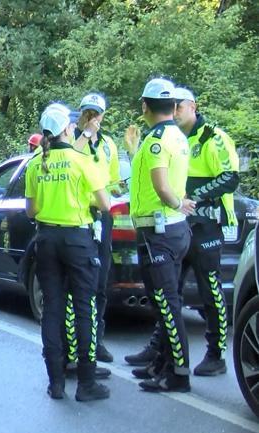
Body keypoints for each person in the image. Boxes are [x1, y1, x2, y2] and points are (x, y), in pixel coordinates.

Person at [128, 87, 240, 378]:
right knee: (169, 291)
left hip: (205, 224)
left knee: (210, 288)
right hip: (176, 223)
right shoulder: (172, 137)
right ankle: (161, 350)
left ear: (193, 106)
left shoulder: (213, 137)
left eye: (180, 106)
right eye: (173, 106)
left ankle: (216, 353)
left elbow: (231, 178)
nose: (175, 111)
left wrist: (194, 198)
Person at [24, 105, 111, 401]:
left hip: (46, 238)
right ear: (66, 129)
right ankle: (86, 383)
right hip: (78, 239)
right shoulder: (81, 159)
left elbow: (31, 210)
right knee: (84, 308)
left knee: (52, 309)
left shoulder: (36, 162)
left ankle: (56, 381)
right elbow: (104, 204)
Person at [128, 78, 196, 392]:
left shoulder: (157, 140)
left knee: (167, 304)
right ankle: (163, 364)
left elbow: (160, 184)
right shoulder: (178, 136)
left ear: (145, 106)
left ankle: (178, 374)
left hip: (160, 230)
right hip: (172, 230)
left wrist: (176, 203)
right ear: (172, 106)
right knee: (167, 301)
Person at [74, 93, 123, 364]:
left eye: (96, 113)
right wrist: (85, 135)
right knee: (81, 282)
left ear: (103, 116)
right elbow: (72, 159)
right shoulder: (72, 140)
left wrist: (117, 187)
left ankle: (97, 338)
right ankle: (79, 344)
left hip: (102, 216)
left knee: (101, 280)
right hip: (78, 215)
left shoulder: (108, 145)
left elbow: (113, 181)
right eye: (87, 112)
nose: (92, 117)